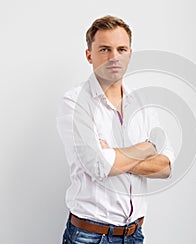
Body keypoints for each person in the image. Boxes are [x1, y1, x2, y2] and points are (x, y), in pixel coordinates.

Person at [56, 15, 175, 244]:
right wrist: (148, 147)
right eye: (104, 49)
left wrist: (115, 156)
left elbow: (166, 167)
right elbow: (98, 165)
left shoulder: (142, 103)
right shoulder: (74, 102)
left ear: (130, 53)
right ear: (89, 55)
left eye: (121, 49)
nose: (114, 57)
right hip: (89, 236)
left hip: (134, 235)